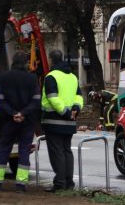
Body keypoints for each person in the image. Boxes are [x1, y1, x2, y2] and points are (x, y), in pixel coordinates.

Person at [0, 52, 41, 192]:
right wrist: (23, 113)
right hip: (27, 121)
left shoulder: (4, 77)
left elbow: (0, 99)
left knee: (4, 149)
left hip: (8, 121)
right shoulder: (32, 78)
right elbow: (36, 100)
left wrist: (13, 113)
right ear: (25, 63)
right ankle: (21, 185)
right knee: (24, 151)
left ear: (13, 62)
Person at [41, 50, 83, 192]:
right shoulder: (73, 77)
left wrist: (65, 113)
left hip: (54, 121)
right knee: (66, 151)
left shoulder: (51, 77)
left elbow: (53, 98)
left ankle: (60, 183)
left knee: (57, 152)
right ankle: (69, 183)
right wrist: (75, 111)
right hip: (70, 121)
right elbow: (79, 97)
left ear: (51, 60)